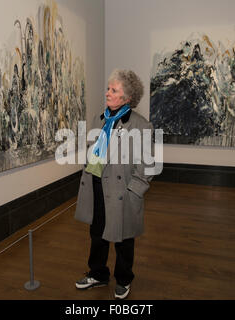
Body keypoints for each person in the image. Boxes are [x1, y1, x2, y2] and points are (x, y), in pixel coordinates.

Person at [74, 69, 155, 299]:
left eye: (113, 90)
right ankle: (98, 274)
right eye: (108, 89)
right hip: (97, 186)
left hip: (122, 192)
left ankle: (124, 279)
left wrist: (134, 192)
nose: (107, 93)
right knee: (97, 233)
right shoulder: (98, 119)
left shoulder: (140, 125)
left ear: (127, 97)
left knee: (123, 238)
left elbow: (147, 166)